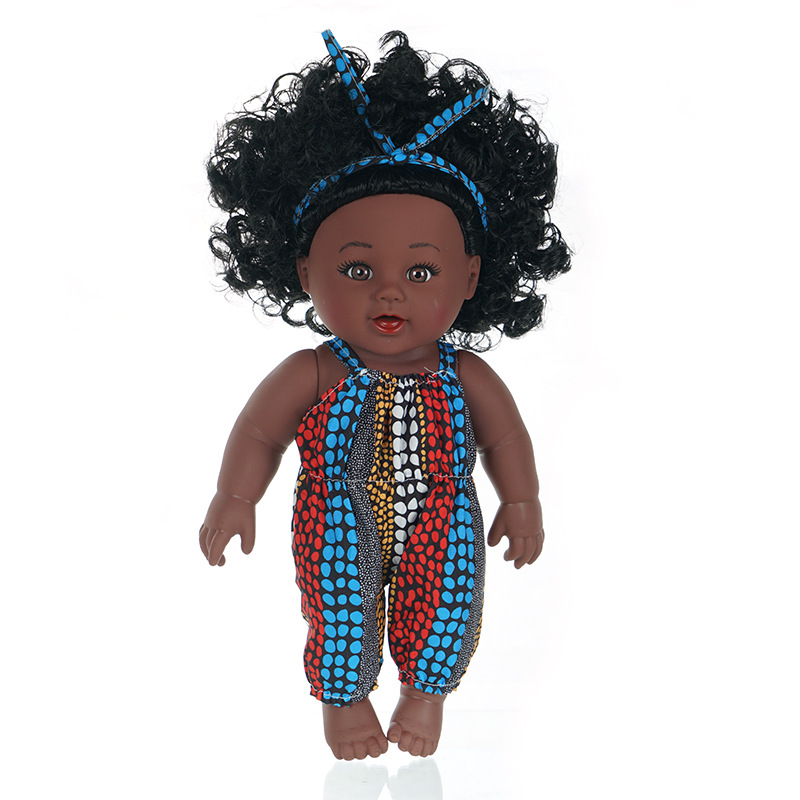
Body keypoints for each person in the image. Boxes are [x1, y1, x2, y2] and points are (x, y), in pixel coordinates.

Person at [199, 30, 570, 761]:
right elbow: (259, 433)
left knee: (450, 605)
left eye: (422, 273)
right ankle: (345, 700)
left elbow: (506, 438)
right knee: (340, 605)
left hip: (443, 517)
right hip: (338, 518)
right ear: (305, 272)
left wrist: (521, 499)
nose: (390, 292)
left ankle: (425, 696)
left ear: (471, 276)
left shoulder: (465, 375)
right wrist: (235, 495)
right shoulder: (315, 372)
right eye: (358, 270)